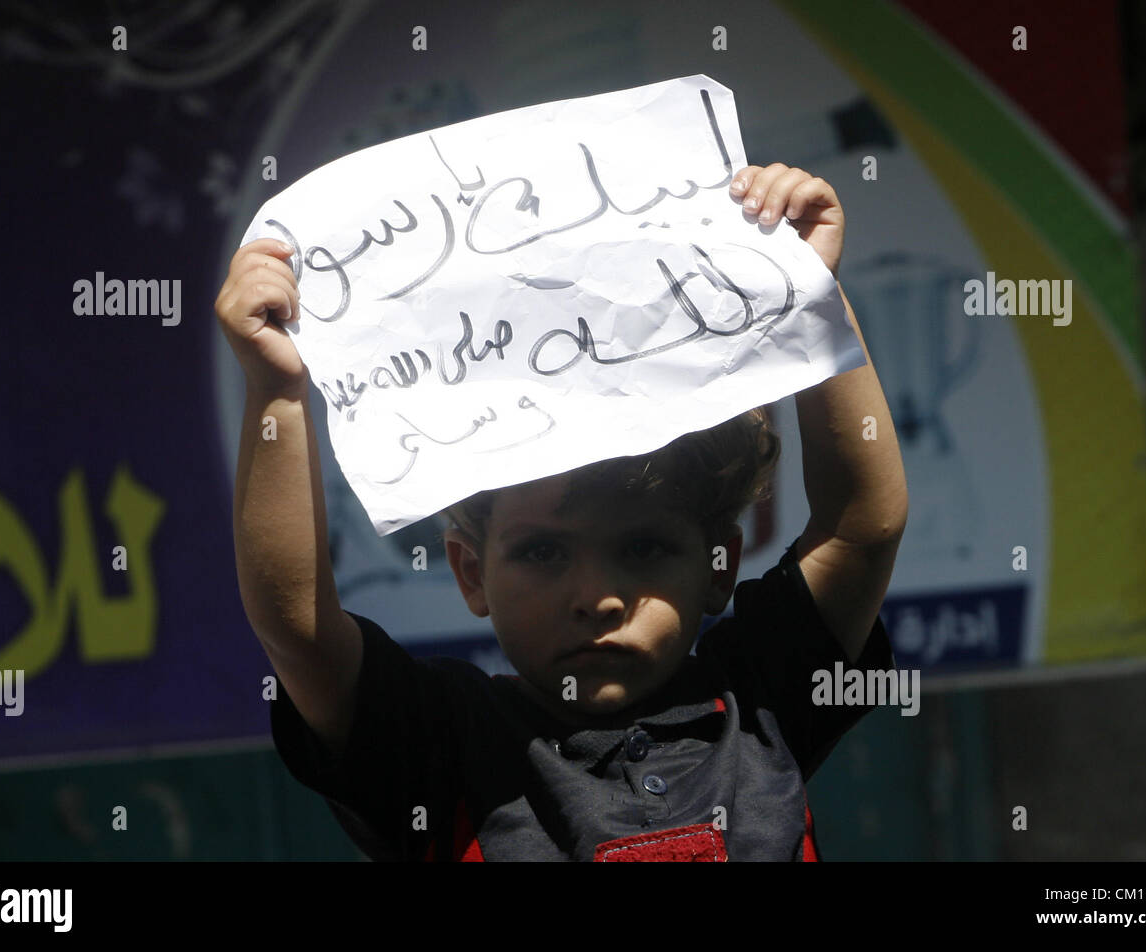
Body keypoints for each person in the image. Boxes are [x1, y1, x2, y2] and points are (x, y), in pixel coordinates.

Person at [216, 162, 909, 860]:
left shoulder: (762, 702)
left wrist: (812, 292)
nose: (597, 597)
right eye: (543, 552)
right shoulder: (441, 743)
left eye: (643, 549)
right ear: (470, 572)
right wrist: (275, 391)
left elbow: (862, 529)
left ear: (719, 566)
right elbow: (299, 630)